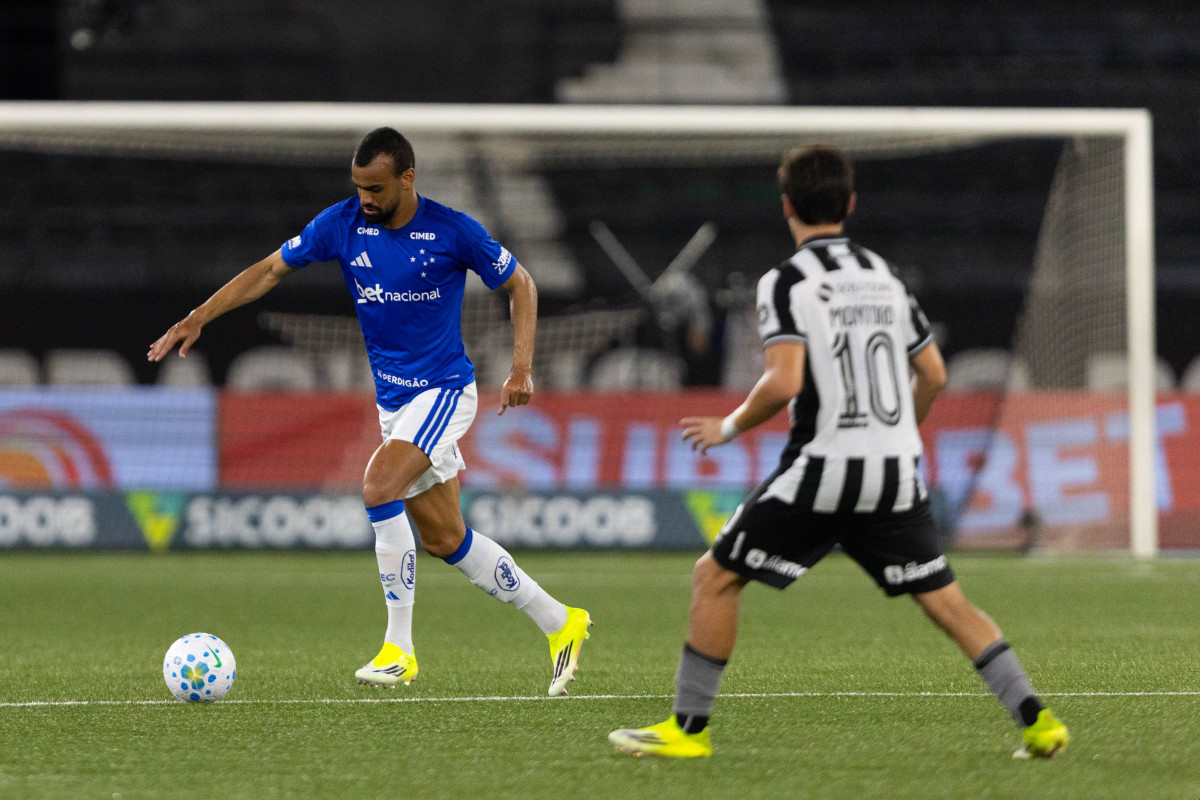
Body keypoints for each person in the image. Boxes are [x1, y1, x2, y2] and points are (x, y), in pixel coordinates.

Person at [608, 145, 1068, 758]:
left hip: (826, 468)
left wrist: (729, 427)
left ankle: (687, 732)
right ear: (850, 205)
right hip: (896, 472)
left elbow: (785, 380)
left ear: (787, 207)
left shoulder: (787, 280)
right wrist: (901, 431)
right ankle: (1037, 721)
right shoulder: (885, 275)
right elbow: (932, 372)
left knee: (715, 577)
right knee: (945, 600)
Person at [148, 127, 592, 696]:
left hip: (444, 391)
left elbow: (521, 284)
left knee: (378, 484)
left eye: (376, 188)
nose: (365, 199)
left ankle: (398, 650)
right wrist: (200, 315)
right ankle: (561, 622)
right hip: (395, 404)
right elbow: (267, 271)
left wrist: (521, 368)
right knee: (445, 538)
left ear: (407, 178)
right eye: (358, 187)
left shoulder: (453, 230)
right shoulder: (341, 223)